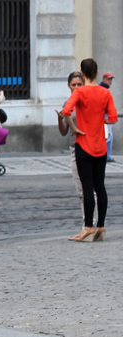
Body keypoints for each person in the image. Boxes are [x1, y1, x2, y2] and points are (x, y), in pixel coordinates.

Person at [59, 58, 118, 241]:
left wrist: (74, 128)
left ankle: (88, 227)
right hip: (100, 145)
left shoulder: (79, 92)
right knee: (100, 186)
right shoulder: (105, 92)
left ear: (83, 74)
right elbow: (113, 118)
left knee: (87, 187)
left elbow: (66, 111)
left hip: (83, 144)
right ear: (97, 72)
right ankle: (101, 225)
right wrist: (101, 120)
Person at [58, 71, 86, 209]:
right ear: (69, 86)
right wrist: (60, 119)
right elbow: (64, 132)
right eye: (73, 85)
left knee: (93, 187)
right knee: (80, 188)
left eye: (79, 84)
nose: (76, 87)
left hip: (90, 147)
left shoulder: (89, 101)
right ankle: (87, 219)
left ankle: (95, 219)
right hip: (75, 147)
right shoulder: (67, 104)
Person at [102, 72, 115, 162]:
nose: (110, 81)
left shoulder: (105, 88)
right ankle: (106, 155)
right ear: (104, 79)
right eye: (108, 79)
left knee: (108, 136)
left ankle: (107, 155)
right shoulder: (103, 89)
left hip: (105, 114)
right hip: (104, 114)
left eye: (111, 79)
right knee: (108, 136)